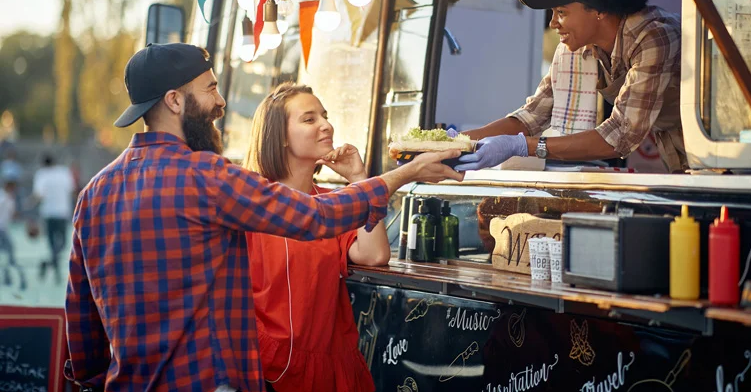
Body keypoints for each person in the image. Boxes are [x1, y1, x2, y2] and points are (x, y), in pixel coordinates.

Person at [64, 43, 462, 392]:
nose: (221, 102)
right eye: (211, 89)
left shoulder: (93, 195)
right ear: (175, 101)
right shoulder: (205, 176)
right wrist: (406, 172)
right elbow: (316, 217)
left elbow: (81, 337)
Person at [456, 0, 686, 173]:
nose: (553, 23)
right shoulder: (577, 48)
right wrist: (457, 141)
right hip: (673, 154)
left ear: (599, 9)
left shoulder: (654, 36)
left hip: (715, 150)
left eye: (562, 12)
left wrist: (523, 147)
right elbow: (532, 116)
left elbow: (620, 135)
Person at [244, 83, 389, 392]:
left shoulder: (331, 203)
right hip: (265, 368)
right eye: (309, 119)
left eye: (325, 115)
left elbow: (375, 254)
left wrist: (360, 181)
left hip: (328, 369)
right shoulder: (250, 204)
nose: (327, 125)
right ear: (279, 135)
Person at [31, 153, 76, 280]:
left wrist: (29, 205)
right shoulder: (64, 172)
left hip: (49, 213)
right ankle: (56, 273)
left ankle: (47, 263)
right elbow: (72, 191)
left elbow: (38, 195)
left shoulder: (42, 174)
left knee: (52, 245)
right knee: (62, 244)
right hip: (62, 212)